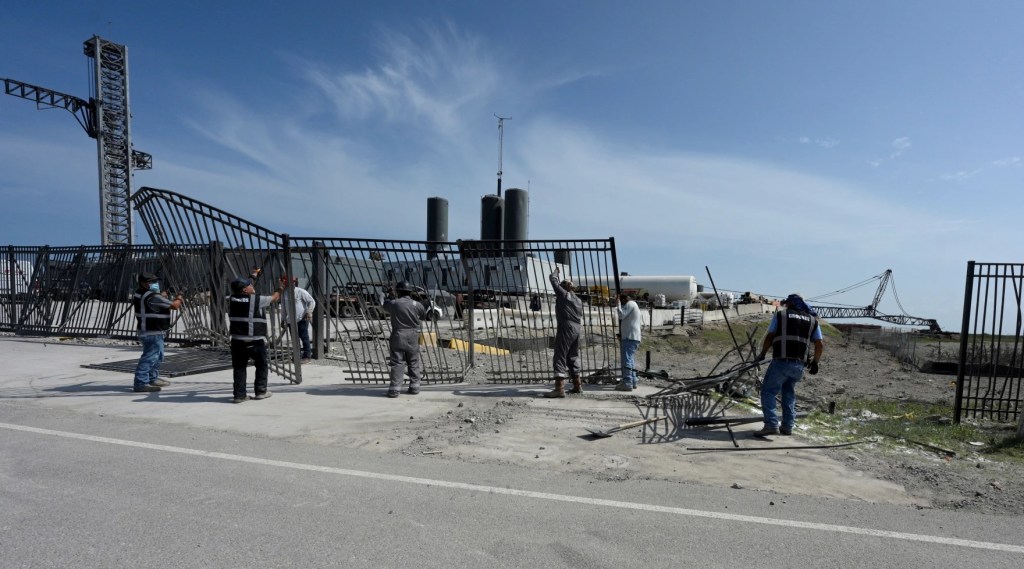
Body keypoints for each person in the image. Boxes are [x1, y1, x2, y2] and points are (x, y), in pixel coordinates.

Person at [753, 293, 824, 436]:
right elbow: (819, 343)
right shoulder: (812, 320)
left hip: (781, 361)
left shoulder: (781, 315)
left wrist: (762, 353)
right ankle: (787, 426)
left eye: (787, 303)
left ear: (790, 303)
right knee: (788, 393)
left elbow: (770, 335)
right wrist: (815, 362)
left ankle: (771, 424)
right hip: (798, 366)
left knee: (768, 391)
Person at [227, 270, 282, 403]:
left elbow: (245, 286)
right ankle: (261, 391)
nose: (253, 286)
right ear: (245, 290)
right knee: (262, 365)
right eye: (249, 285)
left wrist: (253, 276)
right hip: (255, 341)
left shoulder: (231, 298)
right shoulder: (257, 300)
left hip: (237, 341)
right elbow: (275, 297)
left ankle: (239, 396)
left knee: (239, 368)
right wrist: (281, 287)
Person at [132, 272, 184, 393]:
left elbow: (156, 300)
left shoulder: (139, 293)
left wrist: (162, 295)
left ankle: (152, 378)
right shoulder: (152, 297)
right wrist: (180, 295)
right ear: (144, 283)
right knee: (150, 358)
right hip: (151, 332)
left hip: (150, 331)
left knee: (158, 356)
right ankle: (140, 382)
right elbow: (175, 306)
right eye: (152, 282)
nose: (155, 284)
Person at [383, 281, 429, 398]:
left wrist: (390, 295)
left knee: (398, 362)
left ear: (398, 291)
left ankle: (394, 390)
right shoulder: (416, 304)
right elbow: (424, 314)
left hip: (398, 335)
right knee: (413, 362)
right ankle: (414, 387)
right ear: (410, 292)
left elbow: (385, 305)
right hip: (413, 335)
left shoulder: (394, 303)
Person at [545, 267, 584, 398]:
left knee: (560, 355)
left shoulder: (563, 295)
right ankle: (577, 385)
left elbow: (552, 279)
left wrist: (556, 272)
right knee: (572, 356)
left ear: (565, 286)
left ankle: (559, 389)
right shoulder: (578, 300)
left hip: (566, 327)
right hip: (577, 328)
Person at [279, 275, 316, 363]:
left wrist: (309, 311)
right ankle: (297, 355)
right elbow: (284, 308)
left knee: (304, 337)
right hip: (291, 320)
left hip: (302, 318)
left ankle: (307, 356)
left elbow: (312, 301)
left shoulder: (300, 291)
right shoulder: (284, 293)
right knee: (294, 339)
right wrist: (283, 319)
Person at [615, 293, 643, 391]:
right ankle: (633, 380)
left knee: (627, 360)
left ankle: (627, 382)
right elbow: (628, 322)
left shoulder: (630, 304)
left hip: (629, 337)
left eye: (621, 301)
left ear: (623, 299)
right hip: (632, 336)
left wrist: (617, 304)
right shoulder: (634, 306)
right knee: (630, 360)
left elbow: (621, 315)